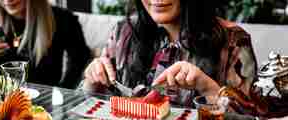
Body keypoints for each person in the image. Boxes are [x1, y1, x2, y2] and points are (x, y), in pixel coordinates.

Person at [83, 0, 257, 106]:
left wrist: (208, 89)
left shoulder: (234, 40)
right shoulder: (123, 32)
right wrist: (93, 83)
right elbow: (95, 107)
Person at [0, 0, 91, 89]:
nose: (7, 0)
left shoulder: (63, 19)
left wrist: (63, 91)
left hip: (43, 102)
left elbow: (81, 60)